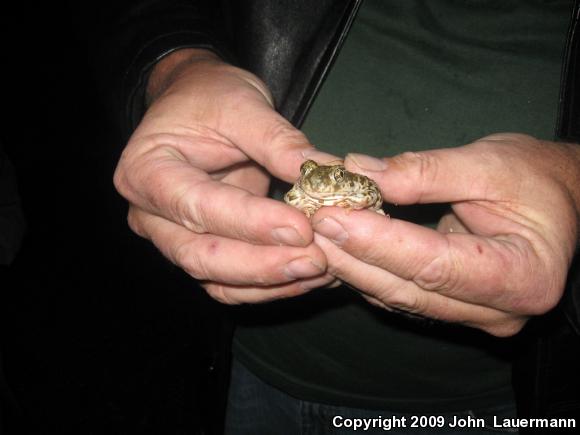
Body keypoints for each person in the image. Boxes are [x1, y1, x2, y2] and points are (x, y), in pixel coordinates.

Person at [104, 0, 580, 433]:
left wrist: (571, 179)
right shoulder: (310, 187)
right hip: (260, 357)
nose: (319, 181)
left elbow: (368, 192)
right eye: (313, 177)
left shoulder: (349, 184)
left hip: (485, 397)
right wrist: (180, 65)